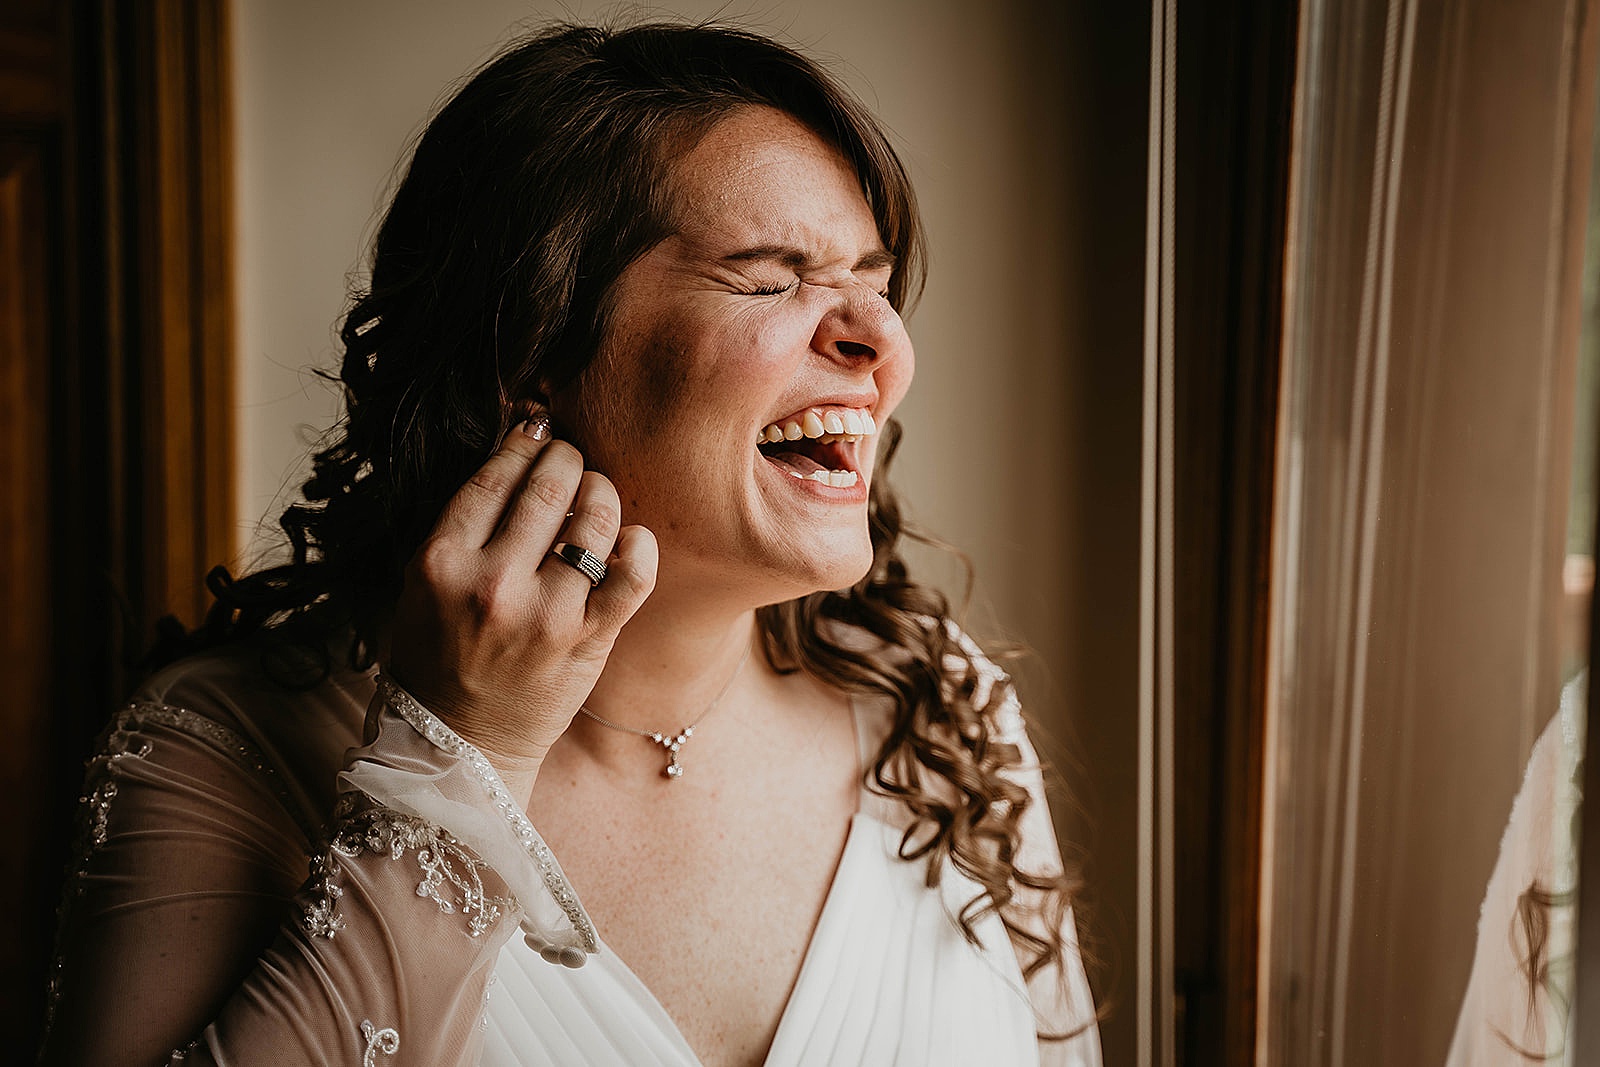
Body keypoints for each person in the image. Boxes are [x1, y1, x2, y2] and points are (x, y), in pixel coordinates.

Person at [41, 22, 1101, 1067]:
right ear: (535, 349)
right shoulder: (228, 745)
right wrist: (458, 759)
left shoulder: (941, 712)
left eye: (870, 279)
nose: (880, 340)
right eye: (772, 276)